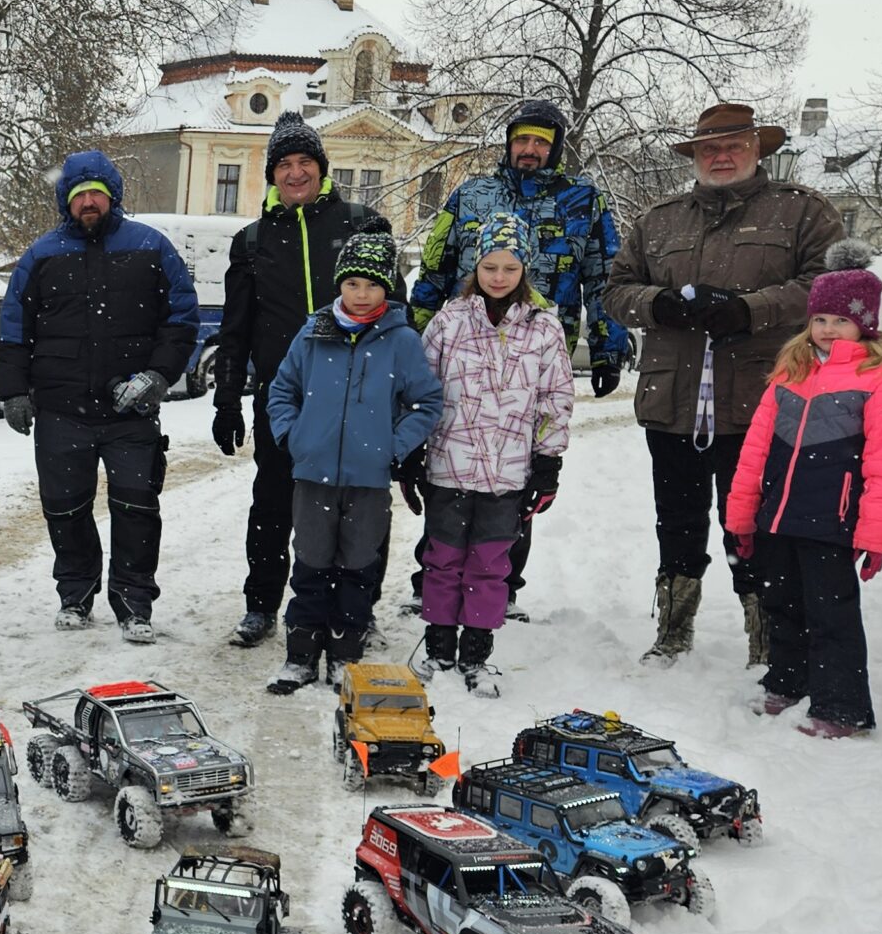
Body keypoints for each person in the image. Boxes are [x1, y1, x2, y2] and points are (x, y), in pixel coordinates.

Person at [603, 101, 844, 663]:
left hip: (760, 402)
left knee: (755, 526)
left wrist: (750, 310)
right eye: (709, 148)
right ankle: (673, 630)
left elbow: (831, 286)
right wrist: (657, 303)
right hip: (673, 403)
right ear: (695, 155)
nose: (721, 157)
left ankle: (768, 639)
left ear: (758, 149)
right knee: (677, 524)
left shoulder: (801, 212)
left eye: (734, 146)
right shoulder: (659, 219)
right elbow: (616, 291)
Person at [402, 97, 625, 620]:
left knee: (516, 479)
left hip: (538, 359)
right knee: (451, 467)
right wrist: (412, 339)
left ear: (556, 149)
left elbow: (604, 277)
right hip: (464, 355)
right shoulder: (472, 194)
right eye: (521, 139)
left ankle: (501, 586)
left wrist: (609, 345)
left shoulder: (583, 201)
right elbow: (436, 267)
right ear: (508, 143)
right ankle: (433, 580)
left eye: (540, 143)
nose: (529, 150)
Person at [0, 150, 198, 642]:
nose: (89, 202)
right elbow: (14, 329)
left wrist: (158, 376)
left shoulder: (151, 247)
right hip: (62, 410)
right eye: (79, 195)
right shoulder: (42, 255)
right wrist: (14, 391)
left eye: (97, 194)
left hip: (131, 409)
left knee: (137, 510)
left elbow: (180, 319)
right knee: (65, 509)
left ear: (113, 198)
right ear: (66, 201)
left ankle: (134, 603)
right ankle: (76, 594)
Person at [209, 113, 392, 647]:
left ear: (321, 167)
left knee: (358, 506)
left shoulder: (361, 225)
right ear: (272, 174)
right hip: (283, 399)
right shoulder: (252, 241)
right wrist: (226, 401)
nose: (295, 173)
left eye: (304, 161)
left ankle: (357, 607)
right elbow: (235, 330)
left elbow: (395, 316)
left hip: (359, 398)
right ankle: (261, 604)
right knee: (273, 503)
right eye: (284, 164)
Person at [723, 244, 882, 738]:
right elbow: (755, 449)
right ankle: (787, 681)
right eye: (820, 319)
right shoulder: (793, 370)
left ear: (865, 324)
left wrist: (874, 536)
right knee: (781, 602)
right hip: (778, 514)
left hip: (833, 519)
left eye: (841, 320)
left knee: (831, 613)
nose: (828, 329)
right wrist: (742, 514)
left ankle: (841, 706)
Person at [263, 231, 442, 693]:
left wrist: (393, 446)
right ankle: (301, 655)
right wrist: (292, 435)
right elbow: (282, 390)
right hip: (313, 475)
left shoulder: (401, 341)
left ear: (388, 288)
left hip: (368, 480)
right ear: (339, 285)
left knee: (357, 568)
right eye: (352, 284)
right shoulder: (313, 333)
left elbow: (426, 402)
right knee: (310, 564)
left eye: (373, 285)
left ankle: (345, 654)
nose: (362, 294)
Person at [404, 212, 574, 696]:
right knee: (442, 559)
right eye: (490, 267)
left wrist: (548, 463)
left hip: (508, 474)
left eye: (510, 268)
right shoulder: (449, 322)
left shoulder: (544, 328)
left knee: (489, 564)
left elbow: (555, 399)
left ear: (525, 270)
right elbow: (421, 391)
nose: (499, 277)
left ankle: (476, 652)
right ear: (475, 267)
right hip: (448, 467)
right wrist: (413, 451)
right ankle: (439, 645)